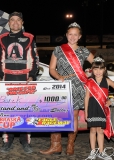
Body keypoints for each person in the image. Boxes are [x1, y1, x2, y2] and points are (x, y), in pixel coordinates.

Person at [40, 22, 94, 155]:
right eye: (70, 34)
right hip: (61, 84)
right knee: (57, 114)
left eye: (76, 34)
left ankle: (70, 144)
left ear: (79, 36)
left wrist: (89, 72)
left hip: (77, 85)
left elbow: (98, 64)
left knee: (74, 115)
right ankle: (56, 146)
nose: (73, 37)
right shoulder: (58, 49)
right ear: (66, 35)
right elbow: (52, 69)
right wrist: (59, 77)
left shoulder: (84, 51)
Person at [0, 11, 39, 153]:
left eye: (18, 20)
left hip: (25, 80)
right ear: (9, 22)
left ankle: (25, 140)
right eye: (12, 20)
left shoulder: (30, 38)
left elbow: (35, 59)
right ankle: (7, 140)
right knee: (7, 111)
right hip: (7, 80)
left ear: (22, 23)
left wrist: (32, 75)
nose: (15, 23)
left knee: (25, 111)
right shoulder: (2, 39)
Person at [85, 56, 114, 160]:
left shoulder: (107, 81)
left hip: (102, 108)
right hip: (92, 108)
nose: (98, 71)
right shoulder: (89, 82)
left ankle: (101, 152)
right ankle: (93, 152)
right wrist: (86, 112)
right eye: (95, 69)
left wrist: (112, 100)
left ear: (104, 69)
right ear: (92, 70)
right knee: (92, 130)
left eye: (100, 69)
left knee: (100, 131)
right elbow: (86, 97)